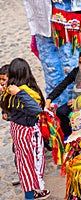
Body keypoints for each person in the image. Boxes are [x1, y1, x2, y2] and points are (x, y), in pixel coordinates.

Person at [0, 58, 50, 200]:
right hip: (26, 133)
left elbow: (10, 111)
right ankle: (30, 196)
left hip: (17, 129)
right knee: (29, 165)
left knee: (25, 163)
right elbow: (36, 109)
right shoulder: (19, 93)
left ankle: (32, 192)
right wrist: (20, 93)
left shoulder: (12, 91)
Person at [45, 49, 81, 137]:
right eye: (80, 62)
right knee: (60, 112)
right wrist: (50, 98)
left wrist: (78, 101)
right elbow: (63, 84)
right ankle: (69, 137)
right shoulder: (76, 71)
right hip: (76, 102)